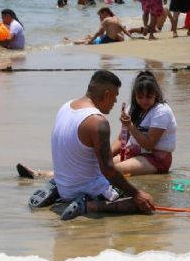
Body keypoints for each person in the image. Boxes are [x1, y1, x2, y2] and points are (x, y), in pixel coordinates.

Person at [28, 70, 155, 220]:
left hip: (64, 185)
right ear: (107, 94)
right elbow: (108, 170)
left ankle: (57, 188)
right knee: (144, 203)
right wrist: (137, 194)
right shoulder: (98, 122)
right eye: (115, 97)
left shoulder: (67, 106)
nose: (115, 102)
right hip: (86, 189)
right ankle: (87, 205)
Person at [111, 71, 177, 175]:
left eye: (148, 97)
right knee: (98, 166)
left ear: (155, 94)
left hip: (155, 158)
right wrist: (104, 156)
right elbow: (121, 140)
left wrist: (130, 125)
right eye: (140, 97)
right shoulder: (132, 109)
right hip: (133, 152)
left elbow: (148, 145)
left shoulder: (161, 111)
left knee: (112, 171)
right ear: (135, 96)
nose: (144, 101)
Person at [65, 7, 132, 45]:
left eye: (100, 15)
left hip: (107, 40)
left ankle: (70, 42)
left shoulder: (106, 20)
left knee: (86, 40)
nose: (100, 17)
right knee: (89, 36)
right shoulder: (115, 18)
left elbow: (98, 33)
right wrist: (131, 37)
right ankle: (72, 41)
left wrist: (90, 41)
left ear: (105, 13)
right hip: (116, 39)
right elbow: (123, 29)